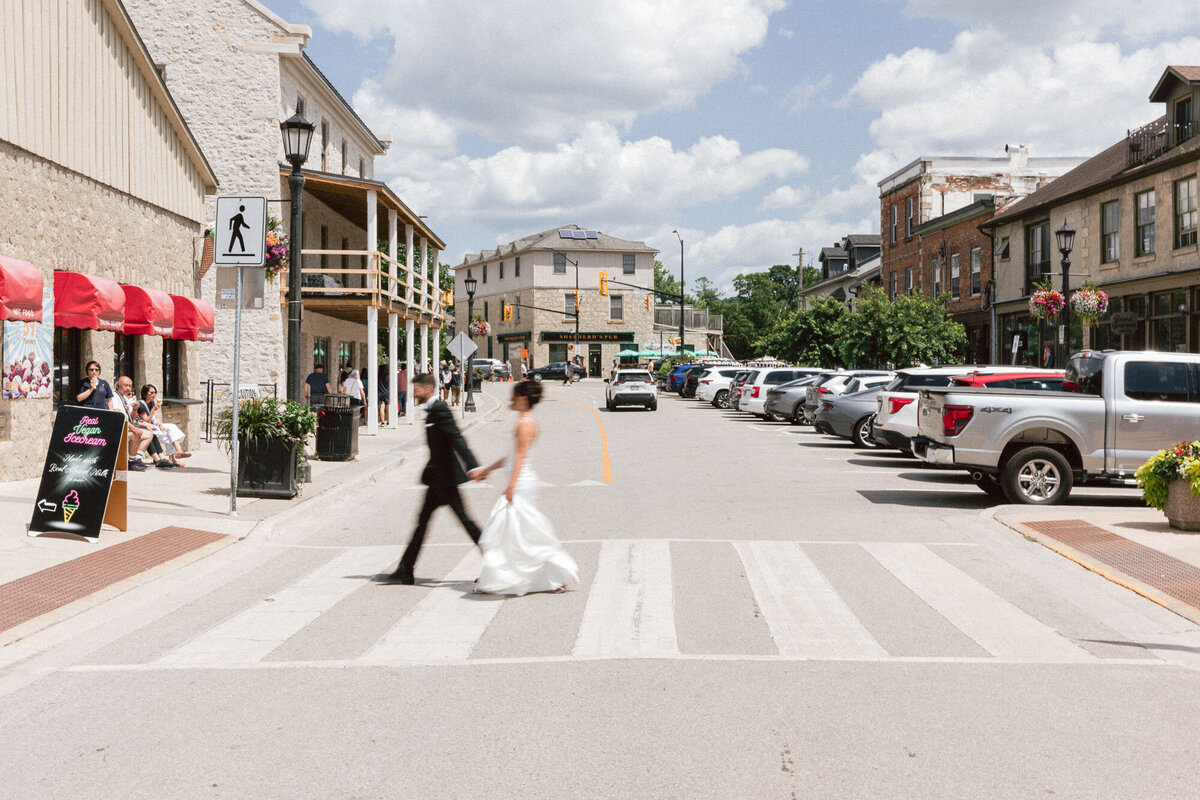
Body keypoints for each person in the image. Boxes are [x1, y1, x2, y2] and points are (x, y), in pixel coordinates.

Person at [472, 380, 578, 595]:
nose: (510, 400)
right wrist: (488, 470)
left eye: (514, 395)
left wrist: (510, 486)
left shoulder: (524, 423)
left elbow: (519, 457)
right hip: (522, 480)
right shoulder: (528, 420)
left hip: (520, 483)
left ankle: (505, 579)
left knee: (513, 531)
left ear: (522, 398)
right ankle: (548, 579)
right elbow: (512, 456)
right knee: (520, 532)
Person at [386, 372, 485, 584]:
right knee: (423, 523)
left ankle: (497, 563)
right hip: (437, 478)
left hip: (446, 479)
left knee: (466, 523)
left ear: (428, 388)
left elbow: (456, 437)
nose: (414, 392)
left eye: (417, 388)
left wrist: (473, 466)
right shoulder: (431, 409)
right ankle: (406, 569)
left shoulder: (439, 408)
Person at [114, 376, 174, 470]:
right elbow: (118, 416)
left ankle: (136, 459)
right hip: (119, 429)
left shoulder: (125, 398)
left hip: (129, 426)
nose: (128, 388)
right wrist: (134, 428)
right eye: (125, 385)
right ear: (117, 386)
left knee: (150, 434)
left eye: (130, 386)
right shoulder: (114, 397)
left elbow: (132, 417)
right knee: (139, 432)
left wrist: (134, 409)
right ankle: (134, 461)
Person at [139, 384, 190, 465]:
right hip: (146, 428)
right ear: (145, 393)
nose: (153, 395)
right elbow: (146, 420)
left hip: (154, 426)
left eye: (154, 392)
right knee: (170, 432)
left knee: (170, 429)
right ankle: (174, 456)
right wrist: (153, 410)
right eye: (151, 392)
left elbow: (155, 417)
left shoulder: (151, 403)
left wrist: (160, 425)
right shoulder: (141, 405)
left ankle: (175, 454)